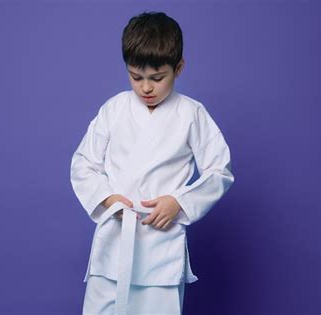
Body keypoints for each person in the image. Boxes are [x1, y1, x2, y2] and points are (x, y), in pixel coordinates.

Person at [70, 11, 235, 315]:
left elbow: (219, 170)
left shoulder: (191, 114)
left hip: (162, 244)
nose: (146, 88)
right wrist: (107, 198)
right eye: (136, 77)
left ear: (179, 68)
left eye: (157, 78)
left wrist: (180, 203)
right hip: (115, 237)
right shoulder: (114, 109)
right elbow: (83, 163)